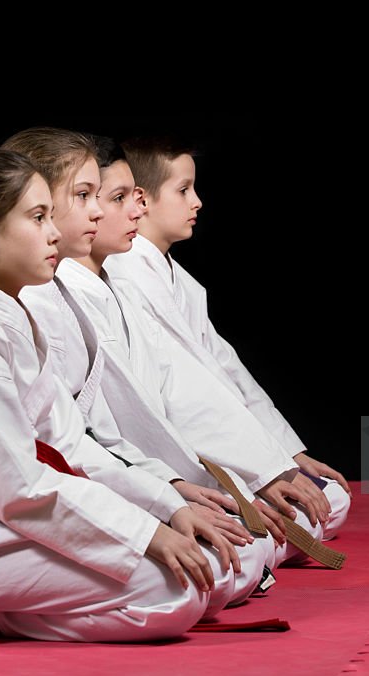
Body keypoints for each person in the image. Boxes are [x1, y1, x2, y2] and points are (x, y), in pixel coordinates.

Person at [0, 149, 240, 645]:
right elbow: (21, 488)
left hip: (13, 517)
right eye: (38, 218)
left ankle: (7, 605)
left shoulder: (9, 322)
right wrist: (144, 534)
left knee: (221, 567)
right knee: (176, 592)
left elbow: (70, 448)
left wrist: (166, 507)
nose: (55, 232)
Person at [1, 128, 277, 590]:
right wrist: (155, 514)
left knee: (239, 551)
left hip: (94, 483)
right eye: (87, 196)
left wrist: (171, 491)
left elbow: (96, 432)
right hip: (19, 515)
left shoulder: (68, 295)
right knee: (209, 573)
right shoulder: (9, 313)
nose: (107, 211)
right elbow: (36, 464)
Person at [49, 133, 340, 566]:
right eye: (94, 196)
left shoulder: (122, 284)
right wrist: (179, 494)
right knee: (232, 559)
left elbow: (212, 376)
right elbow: (104, 431)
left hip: (161, 468)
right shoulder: (80, 288)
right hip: (112, 483)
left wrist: (276, 459)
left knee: (317, 503)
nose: (136, 209)